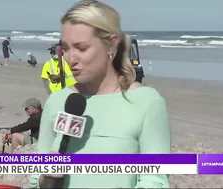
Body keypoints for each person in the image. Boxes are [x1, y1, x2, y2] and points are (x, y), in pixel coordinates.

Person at [30, 1, 171, 188]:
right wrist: (46, 177)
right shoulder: (57, 101)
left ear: (111, 45)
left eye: (81, 48)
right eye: (65, 49)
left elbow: (155, 181)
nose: (71, 59)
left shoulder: (146, 102)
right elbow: (34, 181)